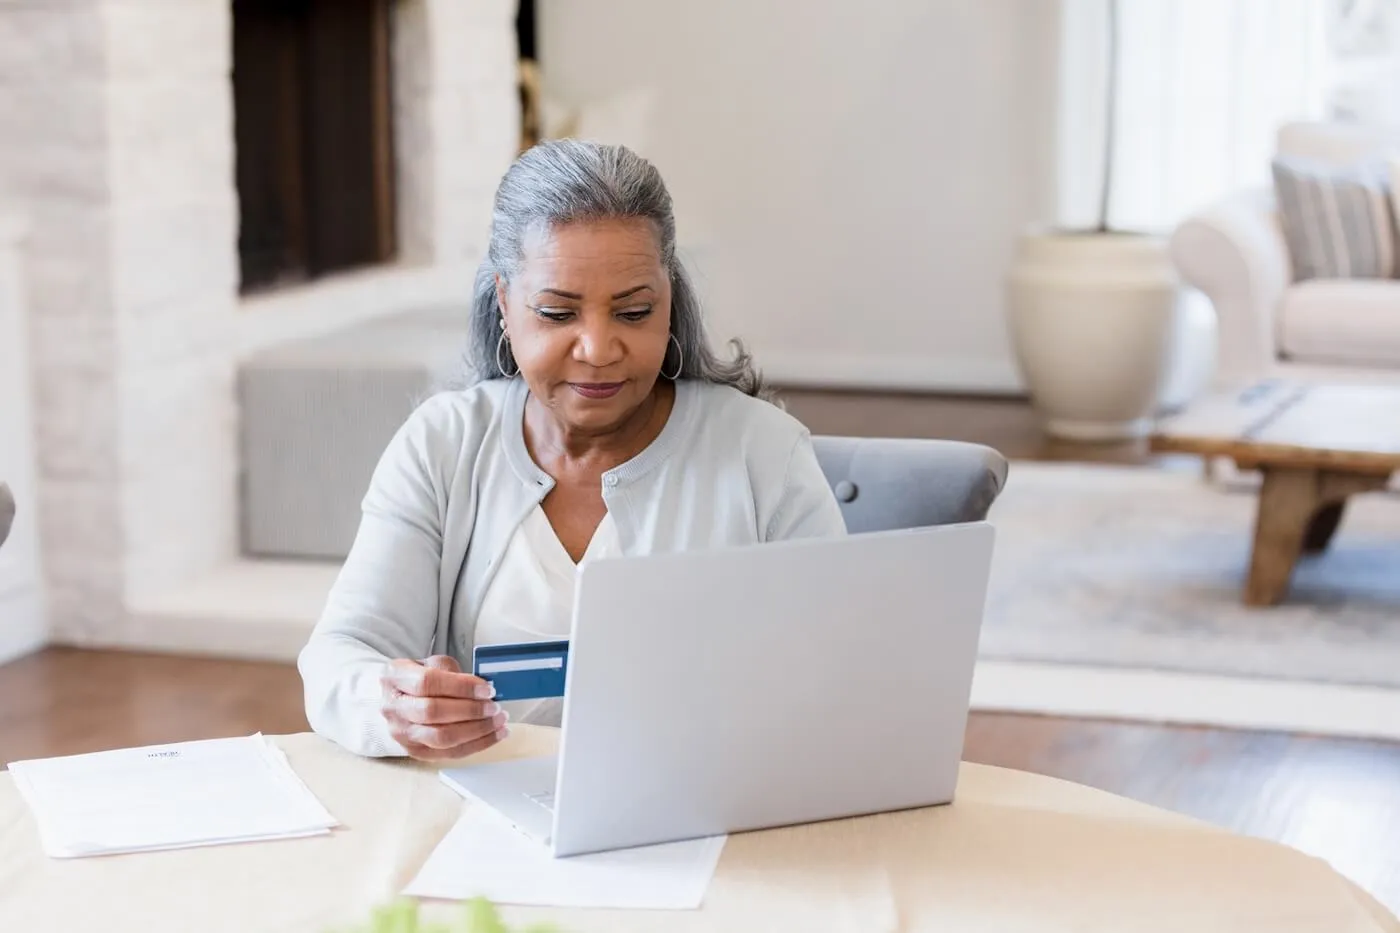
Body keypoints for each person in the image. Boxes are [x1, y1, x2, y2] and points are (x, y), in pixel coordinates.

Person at [298, 139, 847, 761]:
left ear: (671, 299)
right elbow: (340, 654)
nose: (598, 348)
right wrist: (393, 707)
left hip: (712, 810)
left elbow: (838, 673)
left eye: (635, 312)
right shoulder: (444, 443)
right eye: (558, 313)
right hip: (488, 816)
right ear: (504, 302)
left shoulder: (764, 453)